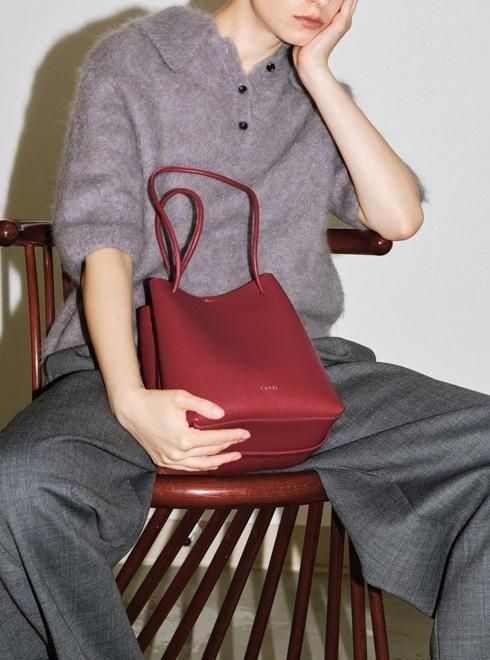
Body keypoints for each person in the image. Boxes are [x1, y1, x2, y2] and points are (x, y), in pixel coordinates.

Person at [0, 1, 488, 658]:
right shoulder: (135, 60)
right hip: (126, 366)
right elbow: (104, 244)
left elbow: (398, 217)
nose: (320, 3)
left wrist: (319, 76)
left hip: (295, 376)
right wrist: (131, 399)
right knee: (22, 479)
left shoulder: (314, 94)